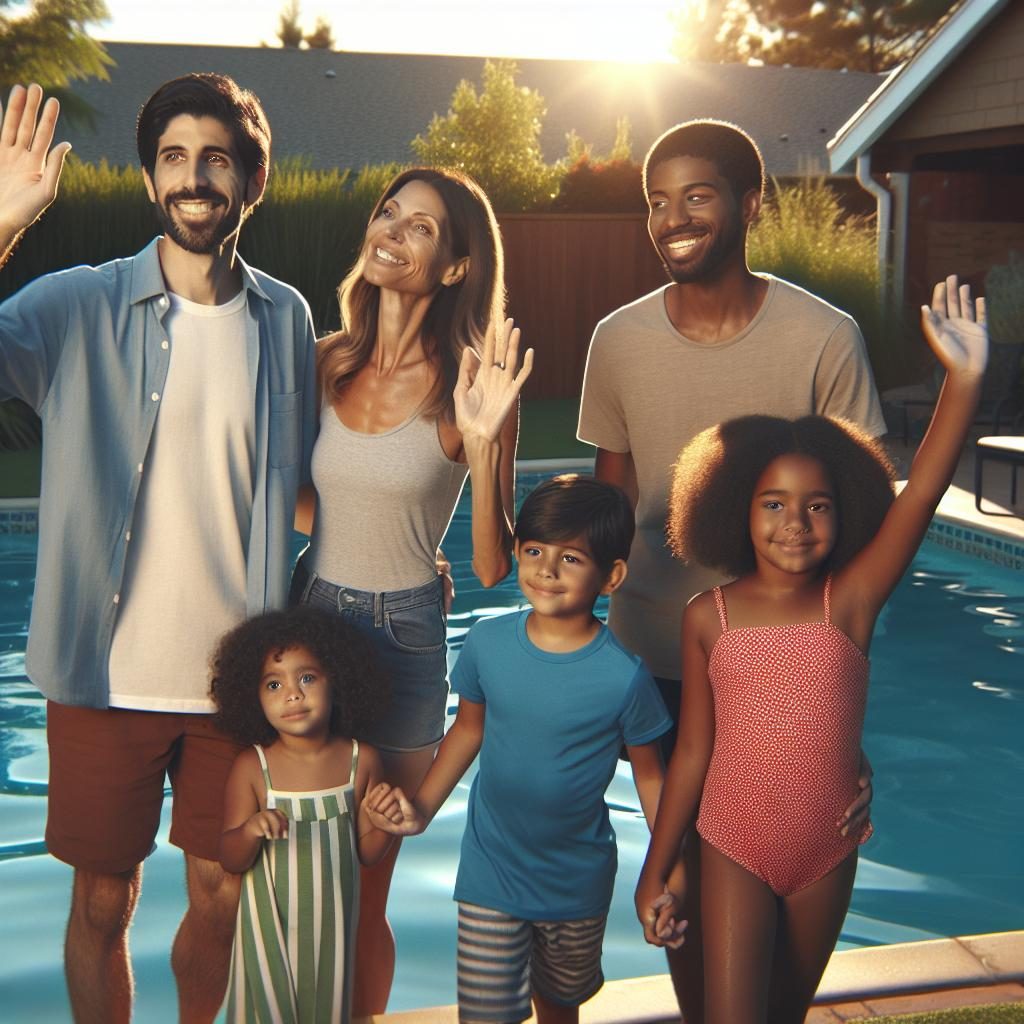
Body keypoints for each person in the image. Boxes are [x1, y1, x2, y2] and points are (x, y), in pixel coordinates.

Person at [0, 77, 316, 1022]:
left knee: (224, 892)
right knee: (103, 901)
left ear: (251, 183)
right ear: (148, 180)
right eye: (173, 157)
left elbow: (289, 486)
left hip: (238, 682)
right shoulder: (75, 306)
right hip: (106, 677)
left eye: (216, 158)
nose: (194, 178)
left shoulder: (286, 319)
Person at [576, 118, 884, 1017]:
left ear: (749, 205)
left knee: (764, 935)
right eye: (656, 202)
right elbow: (611, 506)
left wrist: (838, 718)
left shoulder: (825, 338)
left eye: (697, 196)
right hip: (654, 664)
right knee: (679, 892)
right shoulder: (617, 340)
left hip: (775, 674)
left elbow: (862, 533)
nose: (673, 217)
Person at [635, 277, 987, 1024]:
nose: (796, 523)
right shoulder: (710, 616)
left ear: (845, 509)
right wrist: (655, 867)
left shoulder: (851, 601)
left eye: (817, 505)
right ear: (736, 506)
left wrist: (965, 381)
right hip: (731, 842)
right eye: (773, 505)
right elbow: (693, 752)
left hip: (827, 851)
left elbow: (921, 492)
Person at [291, 166, 532, 1011]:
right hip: (312, 623)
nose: (393, 228)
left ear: (457, 266)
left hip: (405, 639)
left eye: (422, 226)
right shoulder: (328, 360)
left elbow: (495, 566)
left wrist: (483, 441)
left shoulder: (471, 384)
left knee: (365, 876)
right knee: (297, 872)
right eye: (390, 211)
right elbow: (301, 499)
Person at [365, 475, 685, 1024]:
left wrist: (667, 874)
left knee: (561, 1005)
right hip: (493, 869)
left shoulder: (625, 677)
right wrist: (419, 810)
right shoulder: (488, 644)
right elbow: (466, 731)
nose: (547, 569)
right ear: (517, 553)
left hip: (577, 880)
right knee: (488, 1014)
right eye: (535, 551)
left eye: (571, 559)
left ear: (611, 576)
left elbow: (652, 779)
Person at [211, 606, 396, 1022]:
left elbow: (367, 851)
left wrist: (383, 825)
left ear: (339, 680)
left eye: (307, 678)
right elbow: (230, 856)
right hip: (268, 928)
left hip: (332, 930)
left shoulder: (360, 760)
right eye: (273, 684)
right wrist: (251, 830)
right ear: (252, 697)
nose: (292, 694)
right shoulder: (253, 768)